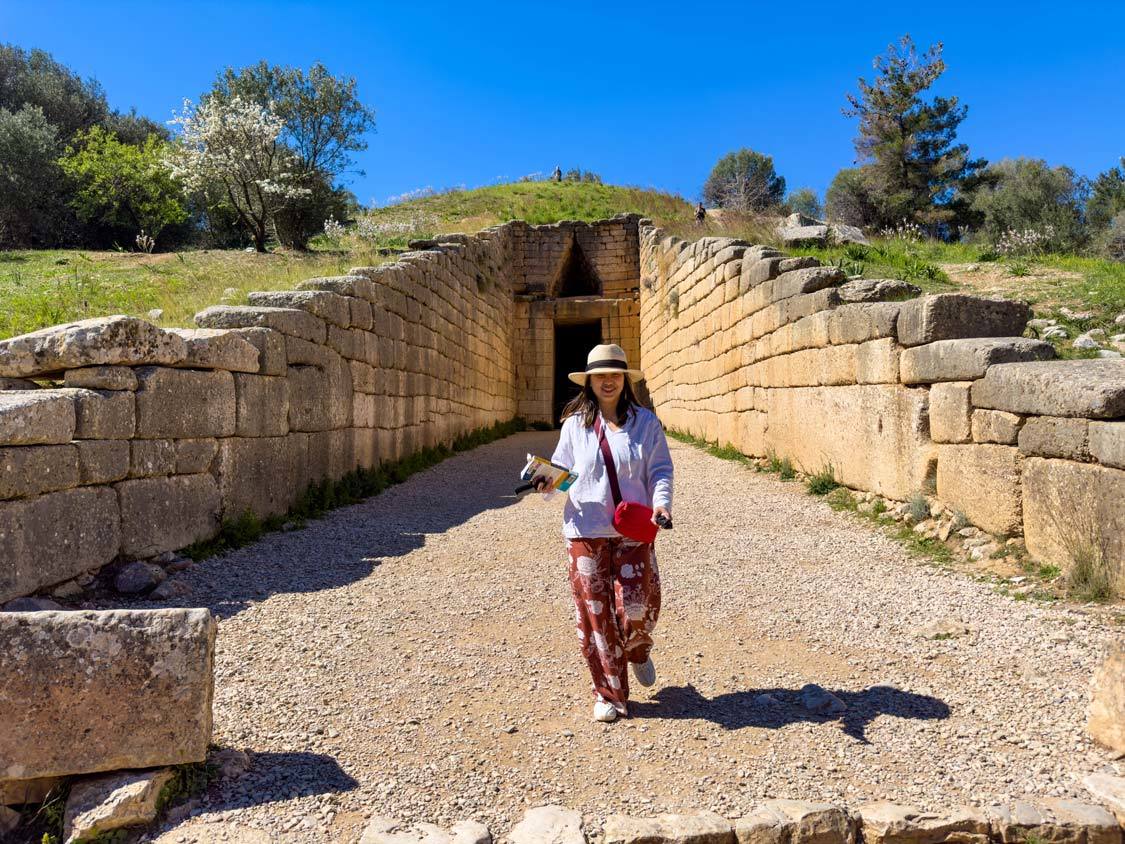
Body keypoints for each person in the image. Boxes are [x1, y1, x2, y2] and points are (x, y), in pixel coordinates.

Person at [534, 343, 674, 723]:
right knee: (595, 615)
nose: (608, 381)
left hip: (632, 529)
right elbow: (562, 472)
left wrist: (662, 505)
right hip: (584, 529)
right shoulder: (575, 424)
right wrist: (548, 483)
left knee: (636, 609)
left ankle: (638, 649)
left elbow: (661, 469)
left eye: (615, 375)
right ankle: (608, 692)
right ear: (590, 381)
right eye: (601, 375)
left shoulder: (645, 422)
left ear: (625, 380)